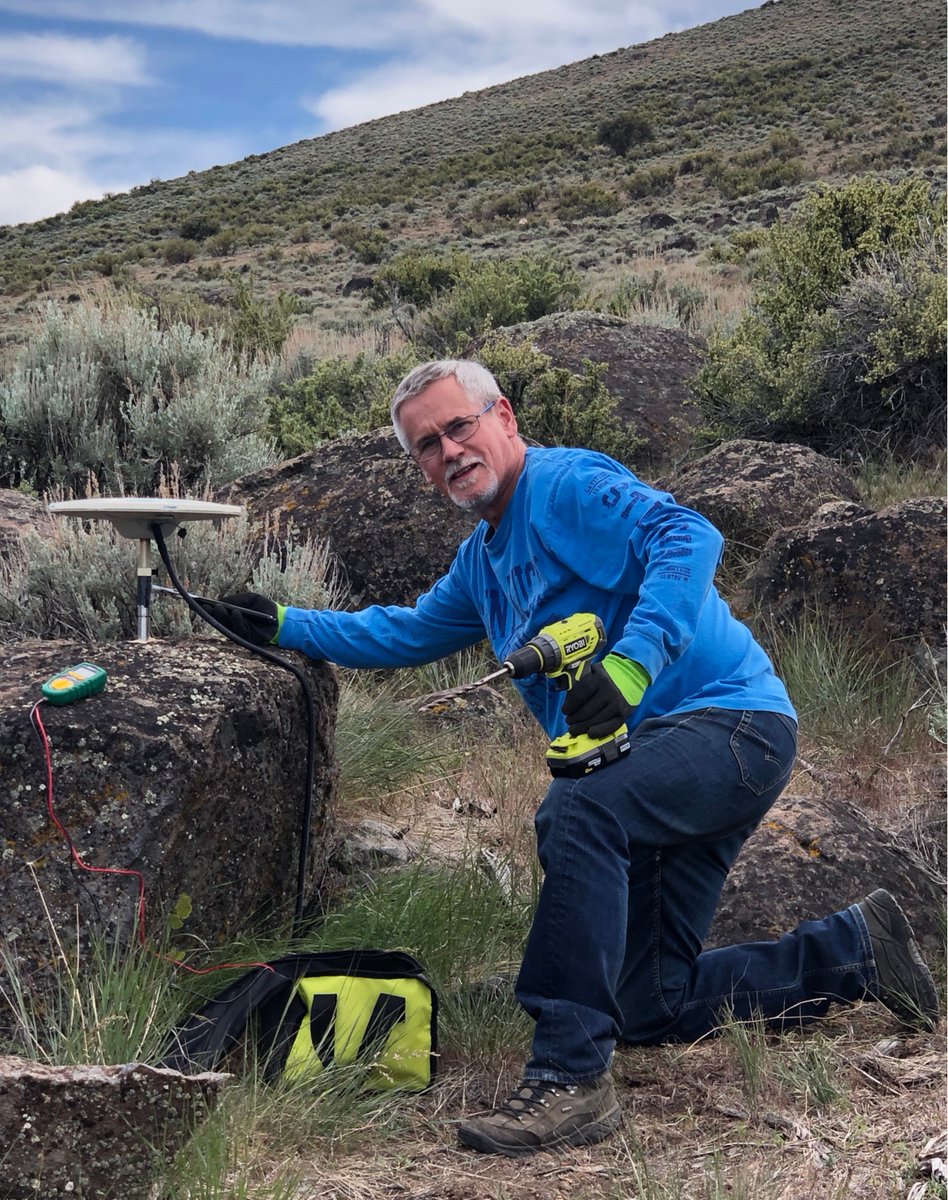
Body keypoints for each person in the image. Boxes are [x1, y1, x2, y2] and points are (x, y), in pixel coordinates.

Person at [210, 359, 939, 1158]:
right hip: (654, 763)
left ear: (506, 419)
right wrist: (281, 623)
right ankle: (856, 952)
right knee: (647, 1005)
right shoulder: (483, 565)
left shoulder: (562, 486)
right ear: (419, 467)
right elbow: (403, 632)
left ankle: (568, 1079)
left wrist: (630, 666)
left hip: (730, 724)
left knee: (579, 809)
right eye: (428, 444)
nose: (450, 450)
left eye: (461, 426)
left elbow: (688, 534)